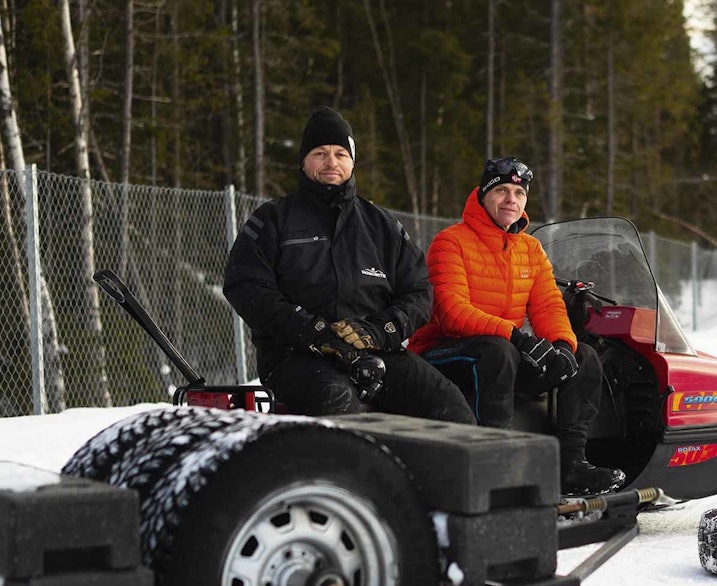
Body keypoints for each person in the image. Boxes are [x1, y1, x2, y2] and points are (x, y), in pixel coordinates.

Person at [223, 105, 475, 424]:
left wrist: (379, 330)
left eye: (341, 153)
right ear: (304, 161)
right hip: (297, 357)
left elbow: (419, 292)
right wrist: (311, 331)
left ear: (352, 161)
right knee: (337, 399)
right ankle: (347, 474)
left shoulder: (382, 226)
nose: (331, 162)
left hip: (376, 352)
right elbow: (246, 286)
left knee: (450, 405)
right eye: (320, 153)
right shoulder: (272, 220)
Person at [409, 157, 626, 495]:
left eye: (519, 192)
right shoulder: (450, 242)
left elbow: (548, 304)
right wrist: (517, 338)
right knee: (496, 350)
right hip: (442, 354)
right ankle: (493, 468)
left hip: (504, 349)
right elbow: (451, 312)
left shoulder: (530, 248)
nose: (511, 199)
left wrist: (561, 346)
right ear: (483, 195)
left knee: (583, 356)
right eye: (502, 190)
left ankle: (571, 466)